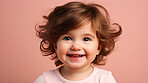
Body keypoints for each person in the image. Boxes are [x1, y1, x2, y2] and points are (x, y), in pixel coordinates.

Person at [34, 1, 122, 83]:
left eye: (86, 39)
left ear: (98, 48)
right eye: (67, 38)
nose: (76, 46)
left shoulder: (104, 79)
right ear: (56, 46)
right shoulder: (45, 80)